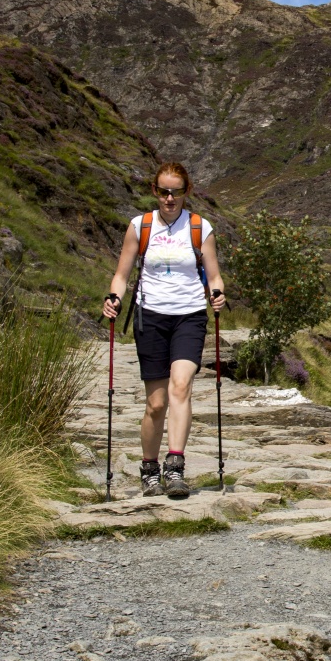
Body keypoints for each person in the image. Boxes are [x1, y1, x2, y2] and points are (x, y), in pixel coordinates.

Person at [102, 162, 226, 498]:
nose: (169, 198)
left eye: (176, 191)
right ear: (155, 191)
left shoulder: (200, 228)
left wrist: (217, 293)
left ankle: (175, 468)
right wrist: (113, 297)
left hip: (189, 316)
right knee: (156, 404)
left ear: (187, 192)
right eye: (163, 191)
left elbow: (213, 275)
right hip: (150, 318)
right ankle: (149, 469)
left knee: (181, 386)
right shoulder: (140, 226)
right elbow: (122, 274)